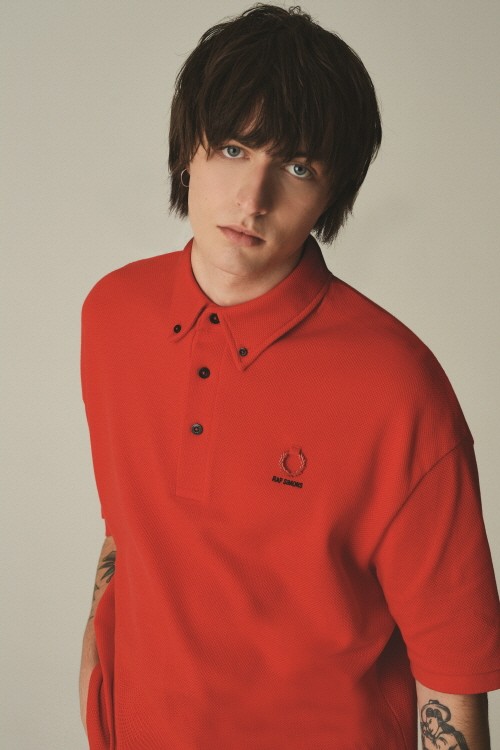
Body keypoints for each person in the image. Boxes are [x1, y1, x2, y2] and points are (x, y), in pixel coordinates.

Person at [79, 4, 500, 748]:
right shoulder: (112, 314)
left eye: (298, 167)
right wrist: (97, 680)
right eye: (234, 148)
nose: (253, 199)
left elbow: (452, 673)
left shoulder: (397, 386)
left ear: (333, 196)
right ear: (187, 148)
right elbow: (127, 528)